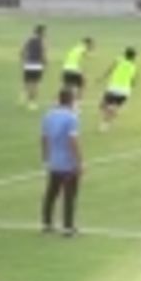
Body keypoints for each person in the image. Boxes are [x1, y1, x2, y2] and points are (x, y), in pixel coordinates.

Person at [41, 88, 82, 237]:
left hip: (54, 161)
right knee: (69, 195)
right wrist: (79, 162)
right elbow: (73, 141)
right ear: (71, 100)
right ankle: (68, 227)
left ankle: (46, 223)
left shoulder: (48, 116)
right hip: (68, 163)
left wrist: (46, 157)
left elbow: (44, 138)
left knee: (51, 192)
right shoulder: (72, 118)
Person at [98, 47, 139, 132]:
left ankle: (106, 121)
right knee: (112, 107)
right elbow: (133, 82)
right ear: (134, 57)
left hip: (113, 88)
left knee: (103, 106)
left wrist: (102, 78)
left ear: (125, 54)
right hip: (125, 91)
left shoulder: (118, 60)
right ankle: (109, 117)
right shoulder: (134, 66)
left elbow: (110, 70)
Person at [18, 24, 47, 111]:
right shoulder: (42, 41)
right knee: (35, 85)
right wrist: (45, 63)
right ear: (41, 32)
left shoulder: (28, 39)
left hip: (28, 64)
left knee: (27, 82)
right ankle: (32, 103)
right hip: (37, 65)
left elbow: (21, 51)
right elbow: (43, 53)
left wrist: (23, 61)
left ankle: (23, 96)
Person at [61, 37, 94, 102]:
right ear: (87, 43)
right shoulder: (83, 48)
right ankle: (79, 99)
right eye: (91, 44)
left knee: (66, 87)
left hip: (65, 69)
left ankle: (61, 100)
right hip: (73, 69)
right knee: (83, 82)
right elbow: (88, 56)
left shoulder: (75, 48)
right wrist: (91, 50)